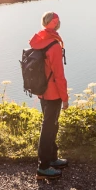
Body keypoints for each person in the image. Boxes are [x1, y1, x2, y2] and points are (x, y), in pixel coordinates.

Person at [30, 11, 68, 178]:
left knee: (51, 124)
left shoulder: (39, 40)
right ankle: (43, 167)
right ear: (55, 23)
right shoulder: (53, 46)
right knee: (48, 127)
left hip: (42, 91)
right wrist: (65, 99)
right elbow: (59, 76)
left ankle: (52, 158)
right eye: (58, 21)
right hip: (53, 93)